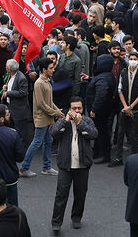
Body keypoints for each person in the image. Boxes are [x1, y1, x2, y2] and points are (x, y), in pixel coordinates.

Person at [49, 96, 97, 234]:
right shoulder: (63, 121)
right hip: (65, 165)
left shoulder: (87, 121)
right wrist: (65, 121)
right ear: (69, 109)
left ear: (83, 109)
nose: (76, 110)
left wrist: (80, 122)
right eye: (74, 108)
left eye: (79, 108)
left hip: (83, 165)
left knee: (80, 194)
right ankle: (56, 222)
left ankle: (76, 218)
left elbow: (94, 134)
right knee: (61, 194)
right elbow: (53, 133)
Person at [20, 57, 63, 177]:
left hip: (48, 117)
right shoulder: (39, 83)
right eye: (51, 68)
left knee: (48, 141)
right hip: (41, 118)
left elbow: (49, 101)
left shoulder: (47, 81)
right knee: (37, 142)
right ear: (44, 69)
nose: (53, 70)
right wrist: (56, 113)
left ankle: (46, 167)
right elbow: (41, 104)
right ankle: (24, 168)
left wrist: (56, 110)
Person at [112, 52, 138, 166]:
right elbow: (120, 90)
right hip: (124, 108)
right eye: (131, 58)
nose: (132, 60)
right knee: (120, 133)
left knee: (134, 135)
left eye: (134, 59)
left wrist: (131, 107)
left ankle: (134, 158)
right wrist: (126, 107)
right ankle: (118, 157)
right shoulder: (123, 72)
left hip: (136, 108)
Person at [1, 59, 32, 148]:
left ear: (10, 69)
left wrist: (8, 93)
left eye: (6, 67)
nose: (5, 68)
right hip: (11, 107)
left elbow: (23, 93)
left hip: (19, 110)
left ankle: (22, 147)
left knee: (21, 130)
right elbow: (13, 87)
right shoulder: (10, 76)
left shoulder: (21, 78)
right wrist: (6, 88)